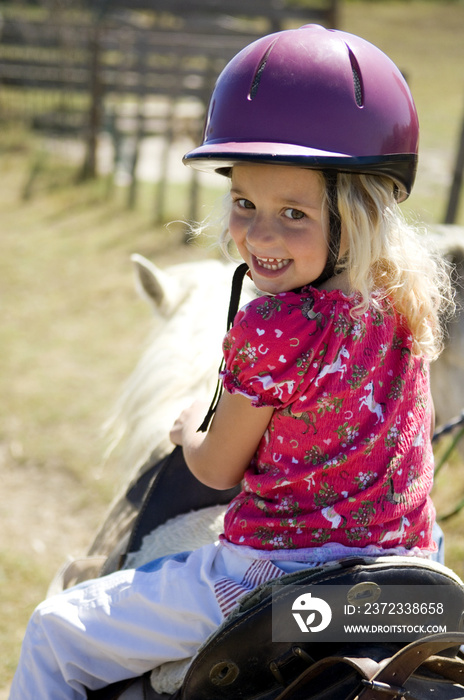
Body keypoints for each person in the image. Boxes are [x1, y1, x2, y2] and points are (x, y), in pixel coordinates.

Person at [9, 24, 454, 700]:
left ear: (355, 215)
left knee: (54, 634)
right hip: (410, 573)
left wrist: (191, 431)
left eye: (293, 212)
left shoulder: (273, 325)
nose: (261, 234)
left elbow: (217, 467)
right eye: (245, 204)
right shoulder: (404, 303)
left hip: (273, 579)